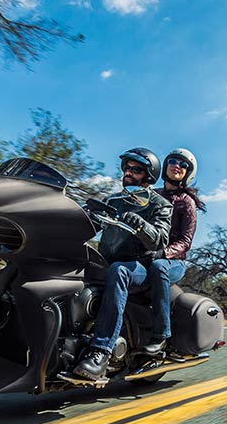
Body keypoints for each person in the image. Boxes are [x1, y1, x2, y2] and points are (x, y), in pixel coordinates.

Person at [62, 147, 172, 383]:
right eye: (127, 168)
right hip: (105, 261)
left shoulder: (160, 204)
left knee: (119, 271)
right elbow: (87, 224)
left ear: (149, 175)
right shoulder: (113, 200)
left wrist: (141, 224)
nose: (129, 173)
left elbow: (161, 239)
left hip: (138, 267)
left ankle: (101, 350)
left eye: (137, 170)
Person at [141, 148, 206, 355]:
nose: (177, 166)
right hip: (146, 255)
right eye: (173, 161)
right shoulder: (153, 195)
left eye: (183, 164)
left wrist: (163, 253)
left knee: (159, 267)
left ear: (188, 173)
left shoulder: (186, 202)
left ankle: (162, 335)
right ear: (165, 165)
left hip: (173, 261)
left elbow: (186, 242)